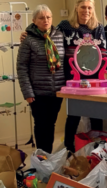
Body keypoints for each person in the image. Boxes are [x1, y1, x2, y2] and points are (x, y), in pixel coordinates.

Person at [58, 0, 107, 153]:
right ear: (76, 8)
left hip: (94, 79)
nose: (86, 10)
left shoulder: (98, 27)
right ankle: (69, 148)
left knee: (97, 114)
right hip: (73, 79)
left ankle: (97, 149)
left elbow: (103, 53)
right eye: (83, 7)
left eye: (89, 7)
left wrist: (103, 78)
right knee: (74, 114)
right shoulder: (64, 26)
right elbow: (49, 38)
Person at [17, 5, 65, 154]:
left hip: (57, 91)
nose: (46, 20)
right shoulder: (28, 39)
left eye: (48, 17)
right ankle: (41, 157)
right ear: (34, 21)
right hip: (37, 93)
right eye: (41, 17)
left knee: (51, 125)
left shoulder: (59, 35)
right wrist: (28, 93)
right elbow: (21, 67)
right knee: (41, 125)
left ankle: (48, 156)